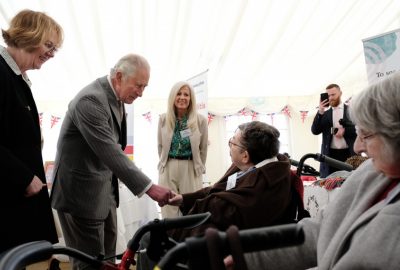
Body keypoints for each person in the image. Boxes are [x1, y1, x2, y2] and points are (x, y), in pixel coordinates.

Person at [225, 73, 400, 269]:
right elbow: (322, 229)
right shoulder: (370, 173)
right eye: (358, 133)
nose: (358, 147)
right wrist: (249, 257)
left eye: (365, 135)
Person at [50, 54, 173, 270]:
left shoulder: (116, 99)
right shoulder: (90, 100)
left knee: (106, 261)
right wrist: (149, 187)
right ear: (119, 76)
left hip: (104, 194)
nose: (141, 93)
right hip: (80, 197)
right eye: (138, 85)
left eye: (145, 87)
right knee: (89, 264)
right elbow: (109, 150)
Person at [138, 121, 305, 270]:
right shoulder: (254, 165)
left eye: (232, 143)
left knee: (149, 237)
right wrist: (183, 199)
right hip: (217, 234)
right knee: (151, 233)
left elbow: (225, 209)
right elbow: (216, 189)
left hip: (229, 243)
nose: (229, 146)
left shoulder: (267, 184)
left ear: (246, 155)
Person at [0, 9, 64, 254]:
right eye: (48, 45)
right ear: (27, 36)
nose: (51, 54)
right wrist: (23, 177)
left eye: (55, 48)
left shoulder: (18, 77)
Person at [157, 81, 208, 218]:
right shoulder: (163, 119)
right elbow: (160, 146)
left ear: (191, 98)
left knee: (192, 209)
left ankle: (189, 238)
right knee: (168, 209)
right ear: (173, 97)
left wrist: (199, 166)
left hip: (191, 167)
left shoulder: (201, 120)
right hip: (168, 166)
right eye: (178, 94)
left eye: (186, 94)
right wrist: (165, 163)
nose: (182, 97)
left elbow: (203, 148)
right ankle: (169, 237)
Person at [311, 84, 358, 178]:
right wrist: (320, 111)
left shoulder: (353, 110)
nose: (330, 98)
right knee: (330, 187)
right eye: (328, 96)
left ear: (340, 93)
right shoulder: (324, 113)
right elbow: (315, 131)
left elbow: (361, 128)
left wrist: (345, 131)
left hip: (350, 154)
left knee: (352, 183)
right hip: (329, 156)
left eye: (333, 95)